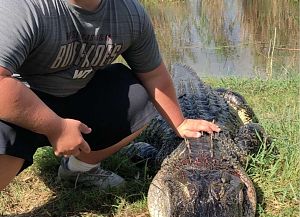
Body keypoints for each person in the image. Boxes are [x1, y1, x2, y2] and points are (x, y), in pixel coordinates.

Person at [0, 0, 220, 191]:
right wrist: (55, 127)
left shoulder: (130, 13)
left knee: (138, 95)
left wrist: (179, 123)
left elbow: (153, 76)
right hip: (22, 104)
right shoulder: (24, 7)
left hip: (78, 95)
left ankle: (80, 170)